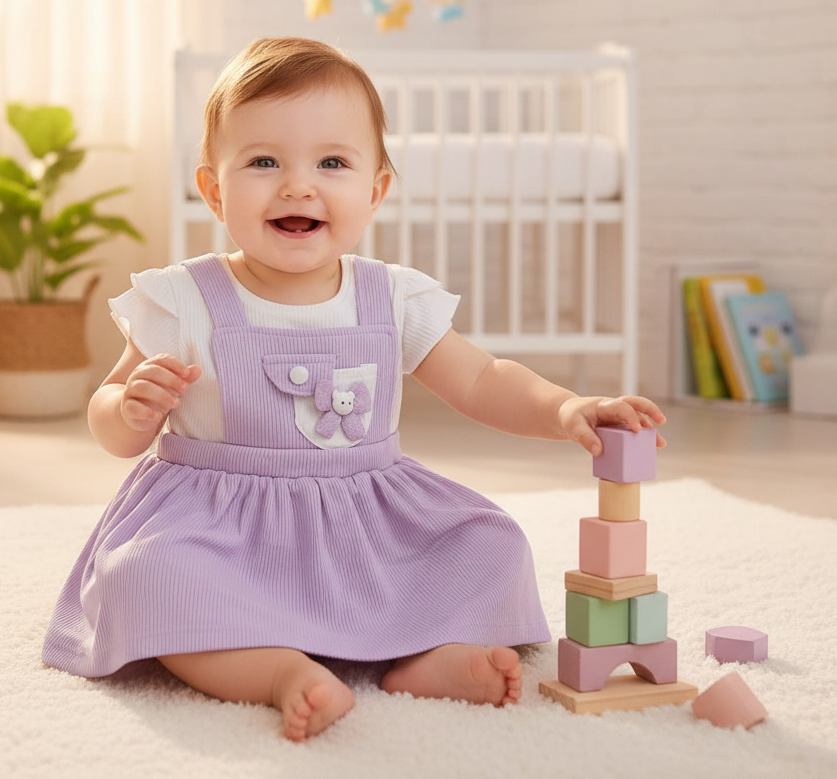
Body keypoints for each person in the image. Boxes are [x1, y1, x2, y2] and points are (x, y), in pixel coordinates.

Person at [42, 36, 666, 742]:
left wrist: (567, 408)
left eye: (331, 163)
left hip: (365, 522)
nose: (298, 185)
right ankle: (277, 671)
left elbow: (483, 379)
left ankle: (426, 658)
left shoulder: (391, 297)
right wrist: (129, 409)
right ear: (214, 189)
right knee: (147, 574)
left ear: (375, 191)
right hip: (220, 527)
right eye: (264, 162)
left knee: (493, 543)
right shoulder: (182, 299)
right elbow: (109, 423)